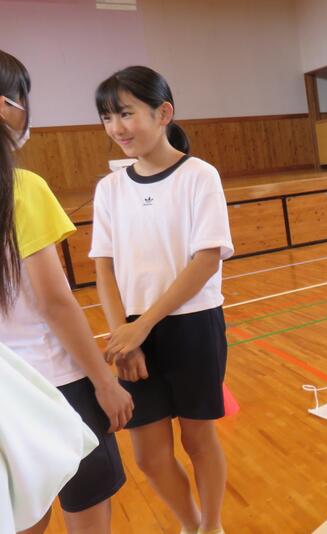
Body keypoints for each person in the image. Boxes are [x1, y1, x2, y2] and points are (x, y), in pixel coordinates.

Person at [91, 66, 233, 534]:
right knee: (149, 456)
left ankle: (211, 527)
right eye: (107, 117)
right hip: (132, 332)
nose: (117, 128)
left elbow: (205, 261)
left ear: (163, 112)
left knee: (198, 438)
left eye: (126, 113)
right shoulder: (109, 189)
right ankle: (190, 523)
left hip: (193, 325)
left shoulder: (199, 176)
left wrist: (142, 326)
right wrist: (125, 336)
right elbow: (104, 268)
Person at [0, 49, 132, 534]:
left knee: (24, 517)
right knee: (88, 512)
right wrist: (104, 382)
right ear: (4, 106)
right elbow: (55, 303)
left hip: (7, 392)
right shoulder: (22, 188)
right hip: (56, 384)